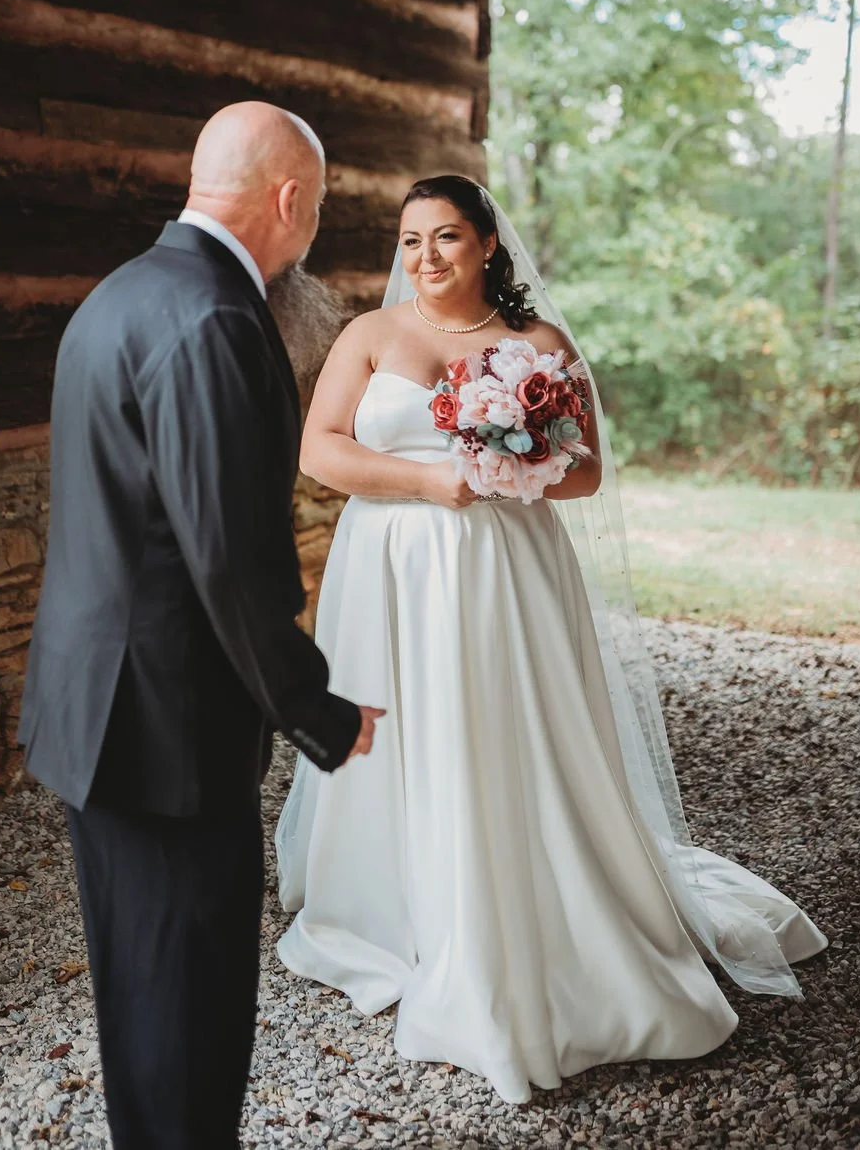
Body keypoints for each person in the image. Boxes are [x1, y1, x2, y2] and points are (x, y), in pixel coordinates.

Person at [275, 174, 826, 1105]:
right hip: (389, 565)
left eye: (446, 238)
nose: (426, 259)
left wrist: (505, 463)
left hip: (504, 568)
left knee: (498, 721)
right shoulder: (370, 337)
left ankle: (519, 891)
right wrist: (430, 484)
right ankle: (399, 895)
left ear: (489, 243)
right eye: (411, 243)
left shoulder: (538, 347)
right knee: (403, 720)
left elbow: (585, 478)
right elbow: (319, 449)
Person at [18, 101, 384, 1150]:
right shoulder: (218, 317)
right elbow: (231, 557)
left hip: (97, 713)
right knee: (187, 1005)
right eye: (313, 212)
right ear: (287, 200)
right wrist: (315, 708)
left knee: (143, 992)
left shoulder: (124, 291)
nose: (308, 235)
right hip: (167, 730)